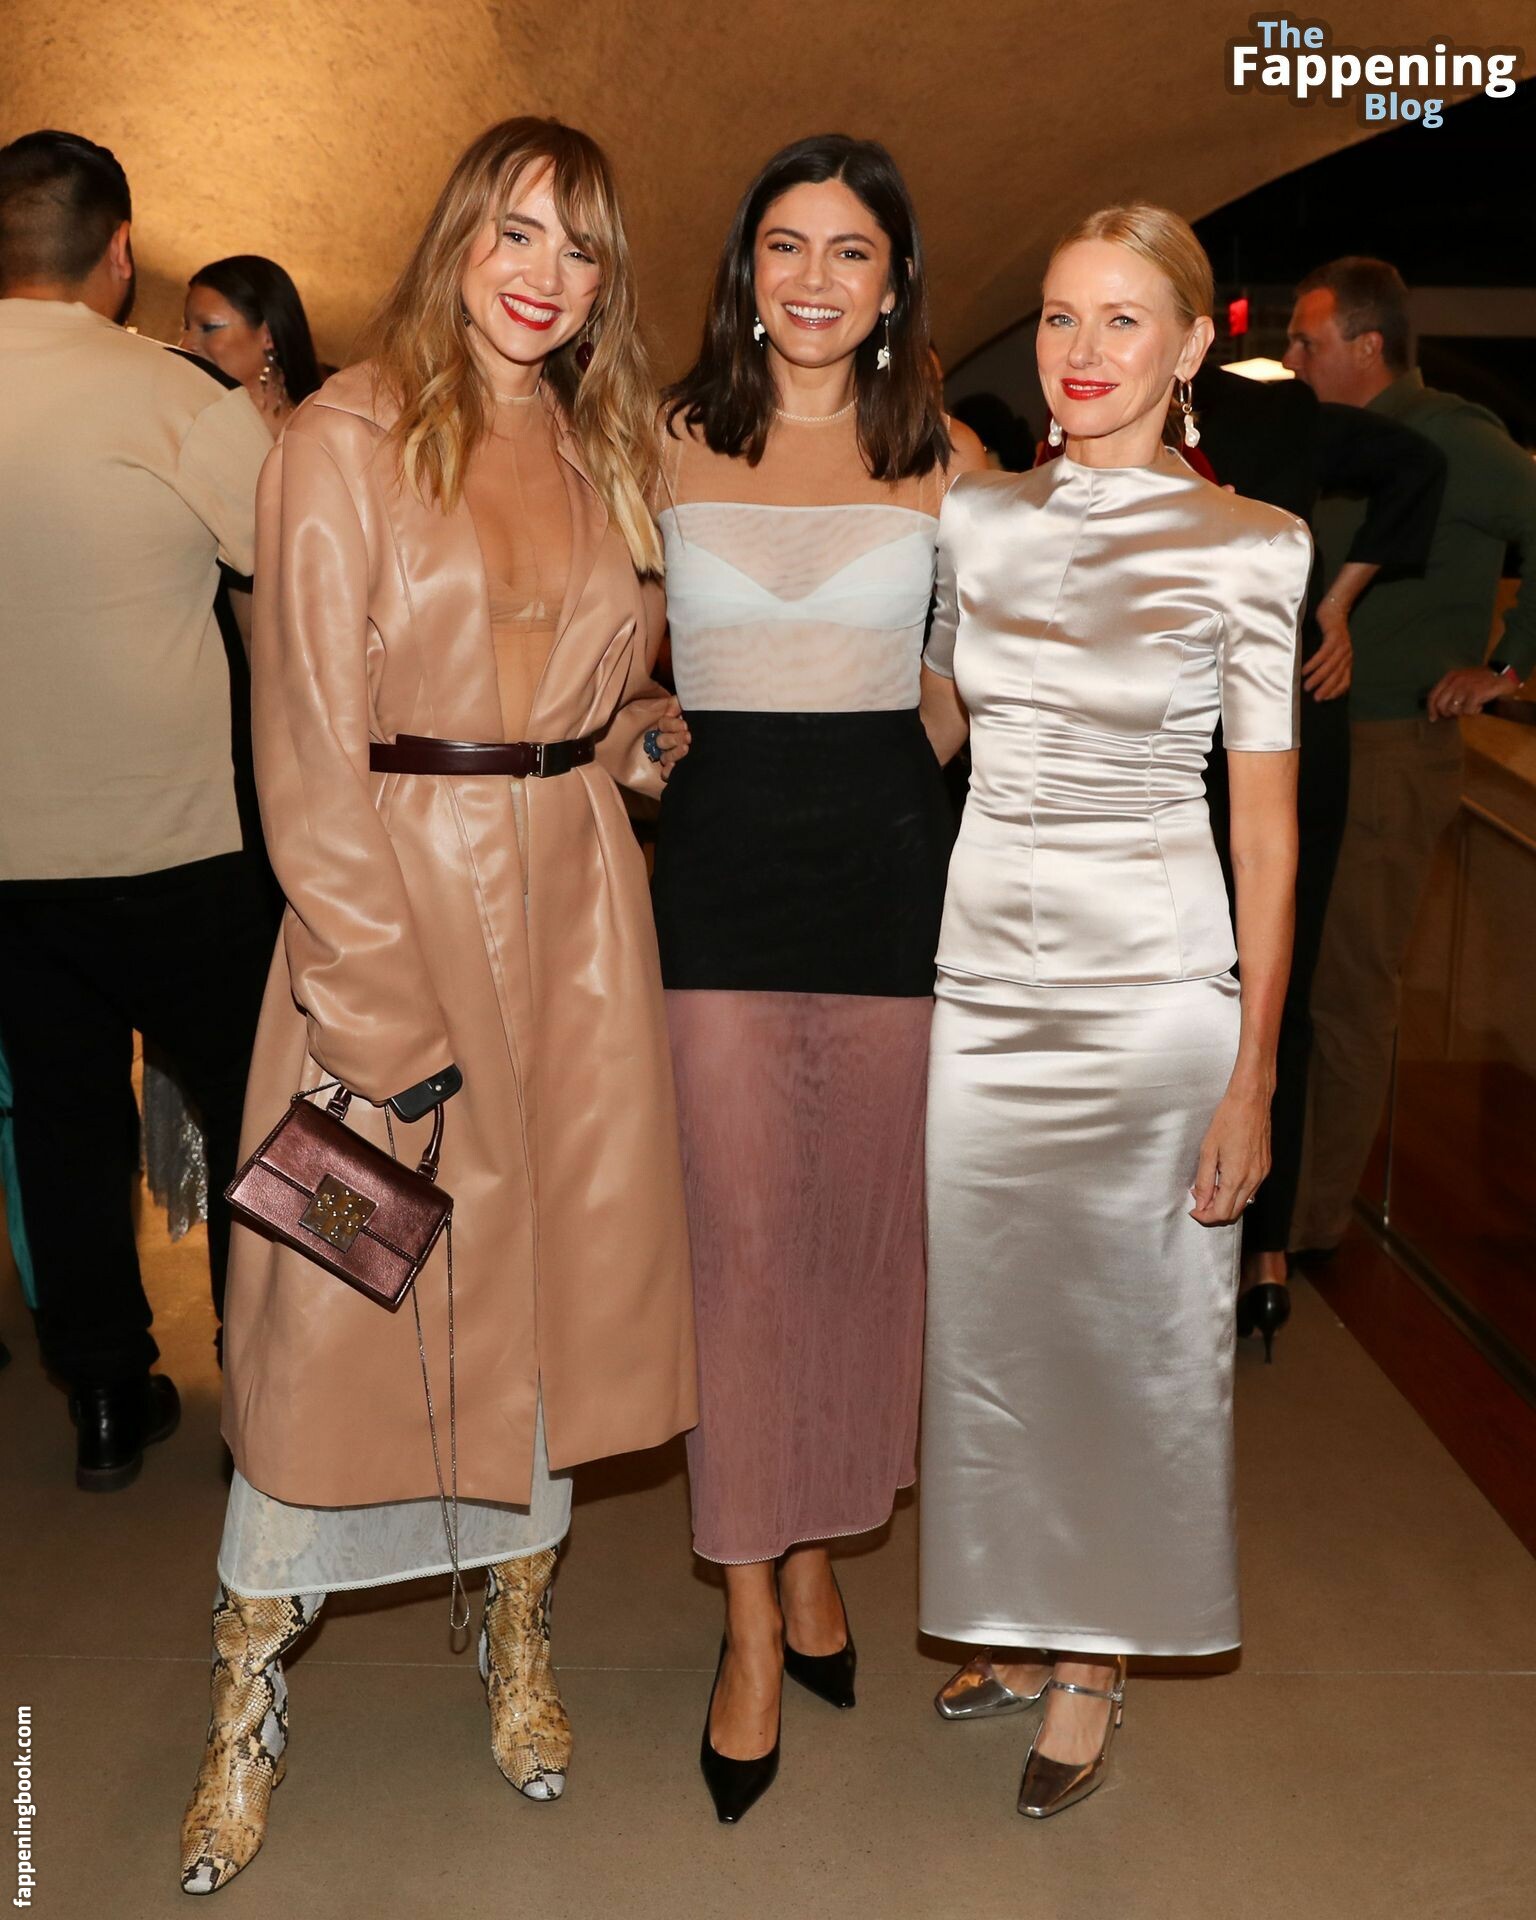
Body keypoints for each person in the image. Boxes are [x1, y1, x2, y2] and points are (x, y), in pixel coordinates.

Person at [179, 117, 696, 1895]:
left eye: (583, 247)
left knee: (540, 1309)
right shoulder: (342, 438)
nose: (548, 275)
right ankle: (246, 1698)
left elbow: (592, 690)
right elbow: (303, 746)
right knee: (331, 1313)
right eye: (520, 232)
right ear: (461, 234)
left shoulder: (605, 439)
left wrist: (630, 740)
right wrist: (374, 1014)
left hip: (577, 930)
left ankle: (518, 1629)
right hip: (391, 928)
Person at [919, 205, 1309, 1817]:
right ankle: (1022, 1613)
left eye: (1123, 321)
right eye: (1060, 318)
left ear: (1192, 345)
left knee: (1137, 1327)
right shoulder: (976, 519)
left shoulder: (1252, 545)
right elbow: (934, 722)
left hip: (1153, 989)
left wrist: (1253, 1074)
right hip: (983, 985)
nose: (1081, 354)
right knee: (999, 1324)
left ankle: (1098, 1657)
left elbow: (1266, 828)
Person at [654, 133, 986, 1823]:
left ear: (893, 281)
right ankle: (747, 1616)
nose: (813, 280)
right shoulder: (660, 437)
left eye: (850, 251)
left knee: (859, 1246)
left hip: (883, 890)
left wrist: (884, 784)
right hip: (712, 889)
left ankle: (812, 1549)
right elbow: (603, 652)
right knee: (735, 1251)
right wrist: (646, 737)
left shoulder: (945, 454)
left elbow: (966, 675)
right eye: (785, 245)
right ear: (746, 268)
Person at [0, 130, 273, 1487]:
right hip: (182, 840)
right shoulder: (177, 395)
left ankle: (105, 1396)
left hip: (11, 854)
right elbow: (286, 567)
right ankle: (259, 1395)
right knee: (244, 1111)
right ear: (119, 253)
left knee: (61, 1124)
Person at [1281, 258, 1536, 1260]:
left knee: (1346, 991)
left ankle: (1307, 1229)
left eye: (1307, 342)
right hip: (1310, 744)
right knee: (1287, 985)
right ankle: (1269, 1211)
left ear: (1368, 346)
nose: (1293, 359)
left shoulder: (1452, 438)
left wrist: (1506, 670)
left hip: (1389, 748)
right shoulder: (1333, 443)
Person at [1193, 362, 1445, 1356]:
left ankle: (1257, 1244)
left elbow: (1417, 466)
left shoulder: (1260, 409)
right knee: (1246, 987)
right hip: (1222, 729)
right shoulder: (1250, 411)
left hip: (1264, 723)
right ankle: (1254, 1257)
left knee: (1267, 986)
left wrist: (1336, 605)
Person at [181, 254, 323, 435]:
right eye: (186, 328)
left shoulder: (312, 439)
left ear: (267, 335)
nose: (185, 345)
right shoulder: (189, 428)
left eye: (209, 327)